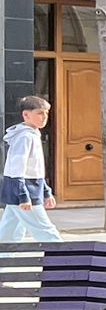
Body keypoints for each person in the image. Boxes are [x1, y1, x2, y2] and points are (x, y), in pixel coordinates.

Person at [0, 94, 63, 244]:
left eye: (46, 113)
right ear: (26, 115)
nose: (44, 117)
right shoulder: (25, 137)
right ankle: (66, 260)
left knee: (10, 231)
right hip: (24, 190)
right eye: (40, 113)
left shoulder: (32, 135)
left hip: (26, 188)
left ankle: (3, 260)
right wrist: (23, 196)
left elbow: (35, 169)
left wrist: (46, 191)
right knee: (45, 230)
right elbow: (17, 169)